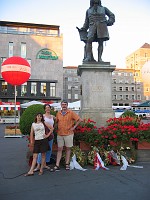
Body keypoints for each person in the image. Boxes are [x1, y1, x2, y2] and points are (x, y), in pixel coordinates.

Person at [51, 100, 82, 171]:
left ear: (67, 105)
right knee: (59, 149)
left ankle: (67, 163)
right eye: (63, 104)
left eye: (65, 104)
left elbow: (79, 119)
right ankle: (57, 164)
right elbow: (56, 122)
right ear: (61, 105)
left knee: (68, 149)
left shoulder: (71, 112)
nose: (64, 106)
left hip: (68, 134)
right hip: (60, 133)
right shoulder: (58, 113)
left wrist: (74, 127)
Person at [34, 104, 55, 171]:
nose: (48, 109)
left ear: (50, 108)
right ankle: (38, 166)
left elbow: (56, 122)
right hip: (43, 136)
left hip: (50, 135)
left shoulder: (53, 116)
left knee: (49, 150)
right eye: (46, 108)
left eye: (49, 107)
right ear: (44, 109)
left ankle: (44, 165)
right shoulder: (42, 116)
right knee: (41, 151)